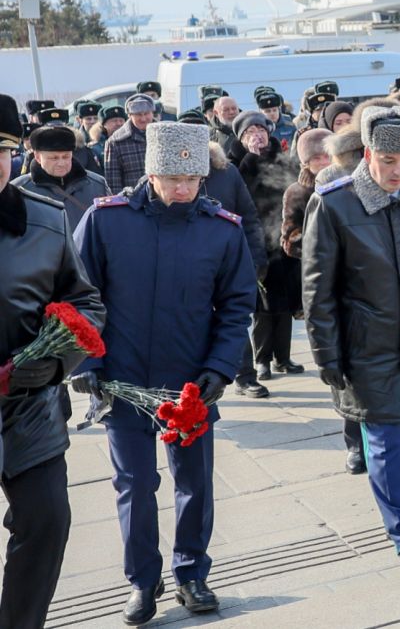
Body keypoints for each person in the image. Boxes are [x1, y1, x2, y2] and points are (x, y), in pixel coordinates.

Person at [71, 122, 256, 625]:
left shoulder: (222, 230)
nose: (182, 189)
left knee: (194, 482)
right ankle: (142, 582)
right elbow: (78, 297)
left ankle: (192, 572)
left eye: (192, 179)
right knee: (134, 483)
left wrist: (221, 367)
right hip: (122, 381)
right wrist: (87, 363)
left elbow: (237, 306)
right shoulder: (105, 221)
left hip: (190, 381)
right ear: (150, 170)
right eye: (172, 177)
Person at [302, 105, 400, 572]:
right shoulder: (334, 203)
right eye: (388, 161)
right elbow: (318, 290)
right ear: (367, 153)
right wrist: (326, 353)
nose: (397, 171)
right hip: (364, 346)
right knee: (386, 439)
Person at [0, 93, 106, 629]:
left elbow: (85, 302)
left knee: (46, 522)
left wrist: (56, 362)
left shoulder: (45, 220)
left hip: (28, 406)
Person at [227, 111, 303, 382]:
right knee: (263, 307)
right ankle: (262, 361)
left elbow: (292, 185)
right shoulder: (235, 163)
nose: (257, 136)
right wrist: (251, 157)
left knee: (285, 303)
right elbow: (240, 194)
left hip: (281, 236)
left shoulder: (280, 156)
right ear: (242, 136)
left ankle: (283, 357)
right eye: (251, 132)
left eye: (261, 130)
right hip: (256, 240)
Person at [12, 124, 110, 227]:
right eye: (54, 158)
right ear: (37, 157)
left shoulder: (97, 184)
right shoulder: (19, 191)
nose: (61, 163)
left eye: (66, 157)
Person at [281, 128, 332, 259]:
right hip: (317, 261)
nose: (324, 162)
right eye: (316, 158)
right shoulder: (296, 192)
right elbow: (291, 237)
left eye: (327, 156)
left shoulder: (348, 184)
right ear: (306, 163)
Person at [105, 93, 155, 192]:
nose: (143, 118)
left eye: (146, 113)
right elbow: (113, 182)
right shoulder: (115, 142)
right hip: (133, 201)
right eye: (138, 115)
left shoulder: (163, 135)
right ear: (129, 115)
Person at [89, 105, 128, 171]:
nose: (118, 124)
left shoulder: (131, 142)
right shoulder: (95, 148)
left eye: (121, 120)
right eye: (114, 121)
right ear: (104, 125)